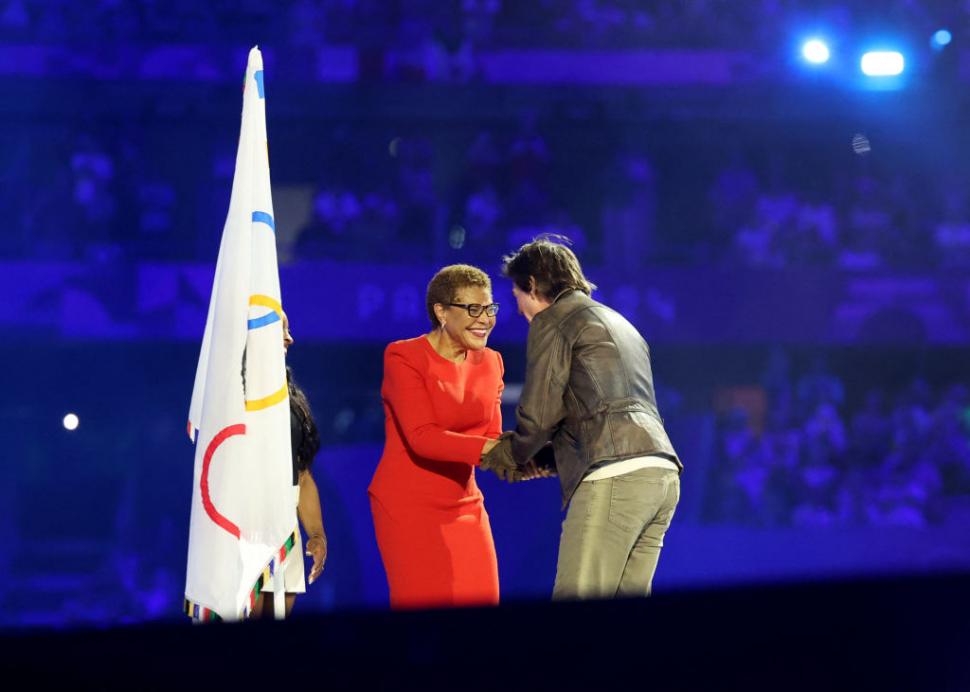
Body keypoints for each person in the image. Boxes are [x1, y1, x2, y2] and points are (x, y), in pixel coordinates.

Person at [481, 236, 682, 599]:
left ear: (531, 285)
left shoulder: (554, 320)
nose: (521, 312)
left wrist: (512, 453)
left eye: (517, 298)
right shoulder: (622, 323)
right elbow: (600, 411)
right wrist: (546, 459)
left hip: (614, 478)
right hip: (661, 476)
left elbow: (540, 414)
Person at [368, 264, 505, 608]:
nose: (485, 319)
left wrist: (531, 456)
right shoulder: (403, 356)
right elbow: (422, 437)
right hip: (408, 506)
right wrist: (499, 450)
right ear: (441, 312)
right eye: (473, 309)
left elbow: (493, 439)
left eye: (489, 309)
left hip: (466, 506)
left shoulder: (492, 362)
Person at [252, 311, 327, 618]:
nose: (290, 338)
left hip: (285, 531)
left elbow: (303, 476)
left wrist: (317, 534)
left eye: (289, 329)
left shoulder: (293, 402)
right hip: (245, 530)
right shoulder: (233, 396)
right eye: (281, 329)